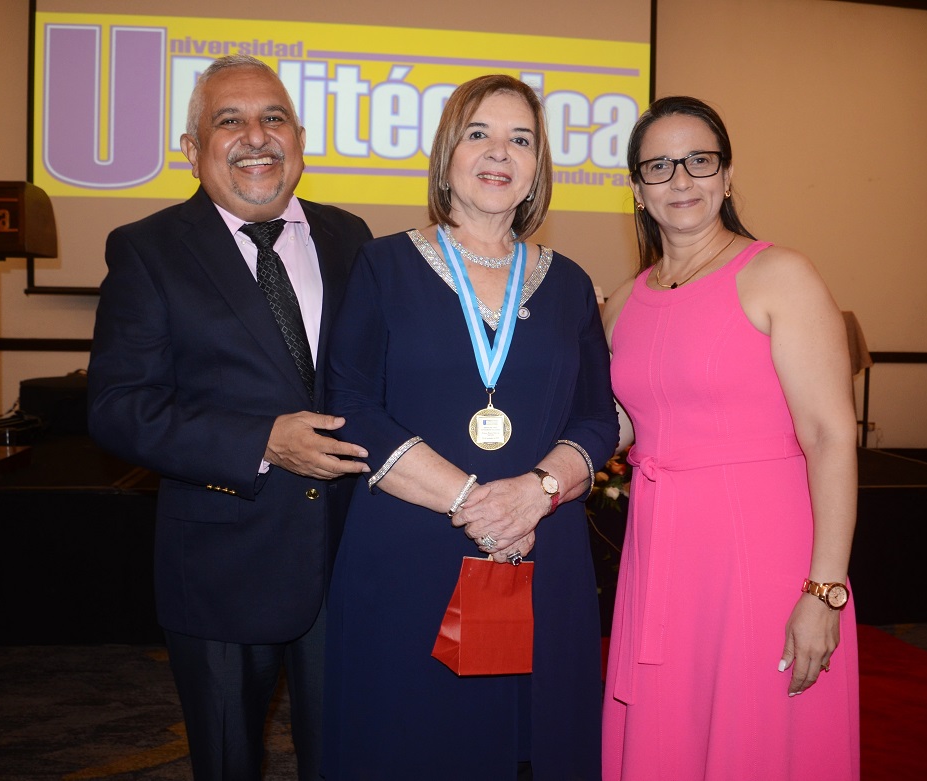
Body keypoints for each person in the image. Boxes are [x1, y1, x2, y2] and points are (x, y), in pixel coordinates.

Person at [321, 74, 618, 779]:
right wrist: (471, 502)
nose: (499, 152)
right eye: (479, 132)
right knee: (408, 742)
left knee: (530, 746)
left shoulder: (569, 281)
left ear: (537, 167)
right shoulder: (381, 264)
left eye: (520, 139)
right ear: (447, 152)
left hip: (537, 549)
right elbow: (351, 402)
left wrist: (535, 493)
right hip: (410, 548)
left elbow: (596, 416)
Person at [87, 55, 372, 780]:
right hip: (220, 568)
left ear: (299, 138)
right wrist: (263, 442)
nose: (256, 136)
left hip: (349, 561)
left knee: (348, 755)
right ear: (192, 149)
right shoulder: (147, 249)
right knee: (226, 762)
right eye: (229, 120)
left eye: (272, 117)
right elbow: (120, 409)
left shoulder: (352, 238)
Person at [601, 96, 860, 780]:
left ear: (725, 174)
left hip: (760, 558)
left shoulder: (779, 275)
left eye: (698, 161)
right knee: (670, 739)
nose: (680, 179)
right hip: (659, 554)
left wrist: (823, 588)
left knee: (758, 742)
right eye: (658, 166)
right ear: (636, 187)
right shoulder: (625, 301)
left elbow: (831, 435)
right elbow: (624, 423)